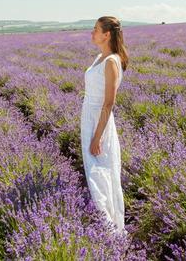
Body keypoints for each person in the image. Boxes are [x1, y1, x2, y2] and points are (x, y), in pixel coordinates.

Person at [80, 15, 129, 236]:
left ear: (107, 34)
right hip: (89, 118)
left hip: (99, 123)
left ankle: (110, 230)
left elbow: (109, 103)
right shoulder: (101, 57)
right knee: (95, 172)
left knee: (100, 174)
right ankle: (104, 225)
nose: (92, 33)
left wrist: (97, 137)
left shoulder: (111, 61)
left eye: (96, 29)